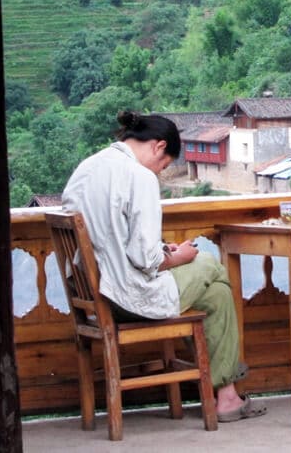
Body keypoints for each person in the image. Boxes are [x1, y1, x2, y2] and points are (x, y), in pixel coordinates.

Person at [62, 110, 266, 423]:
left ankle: (227, 397)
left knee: (216, 297)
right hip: (128, 297)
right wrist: (176, 257)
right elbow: (145, 261)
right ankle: (224, 395)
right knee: (211, 264)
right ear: (158, 147)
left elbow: (111, 237)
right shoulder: (139, 176)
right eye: (165, 165)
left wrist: (160, 250)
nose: (160, 172)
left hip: (93, 294)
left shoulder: (87, 168)